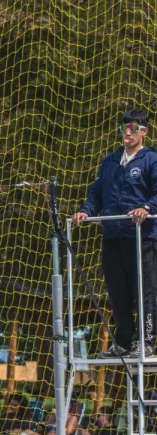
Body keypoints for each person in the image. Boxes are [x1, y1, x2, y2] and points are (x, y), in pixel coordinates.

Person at [72, 109, 157, 358]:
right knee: (117, 291)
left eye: (132, 128)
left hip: (141, 236)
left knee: (145, 289)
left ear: (144, 131)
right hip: (112, 235)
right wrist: (85, 211)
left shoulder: (151, 160)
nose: (127, 133)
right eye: (123, 128)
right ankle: (123, 342)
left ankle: (146, 340)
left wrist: (146, 207)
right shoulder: (110, 161)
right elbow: (97, 192)